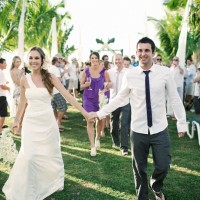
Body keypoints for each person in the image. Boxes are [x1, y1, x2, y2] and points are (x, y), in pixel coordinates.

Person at [89, 37, 187, 200]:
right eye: (140, 51)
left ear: (153, 53)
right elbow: (120, 98)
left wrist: (181, 123)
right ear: (136, 53)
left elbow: (174, 98)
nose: (143, 54)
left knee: (163, 165)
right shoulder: (131, 74)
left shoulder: (164, 73)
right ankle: (142, 197)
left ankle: (156, 185)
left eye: (147, 50)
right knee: (139, 168)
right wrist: (99, 113)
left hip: (159, 129)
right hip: (138, 129)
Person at [2, 46, 89, 200]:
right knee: (28, 156)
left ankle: (52, 181)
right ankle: (27, 185)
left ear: (42, 60)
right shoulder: (24, 79)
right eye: (31, 58)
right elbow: (22, 102)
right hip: (30, 122)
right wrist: (17, 121)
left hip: (47, 122)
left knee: (50, 153)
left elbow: (68, 97)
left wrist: (85, 113)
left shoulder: (50, 77)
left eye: (36, 58)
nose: (33, 61)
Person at [80, 52, 111, 157]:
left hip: (100, 99)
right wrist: (86, 84)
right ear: (90, 59)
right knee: (90, 120)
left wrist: (105, 89)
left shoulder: (104, 72)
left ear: (98, 60)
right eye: (92, 58)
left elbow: (109, 84)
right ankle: (92, 146)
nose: (94, 60)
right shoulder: (86, 71)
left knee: (100, 120)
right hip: (88, 98)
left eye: (96, 58)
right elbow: (81, 86)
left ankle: (97, 138)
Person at [0, 58, 10, 134]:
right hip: (1, 96)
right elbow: (1, 86)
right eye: (5, 63)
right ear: (1, 64)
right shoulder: (1, 73)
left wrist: (6, 82)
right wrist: (8, 88)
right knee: (3, 113)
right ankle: (0, 129)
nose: (6, 64)